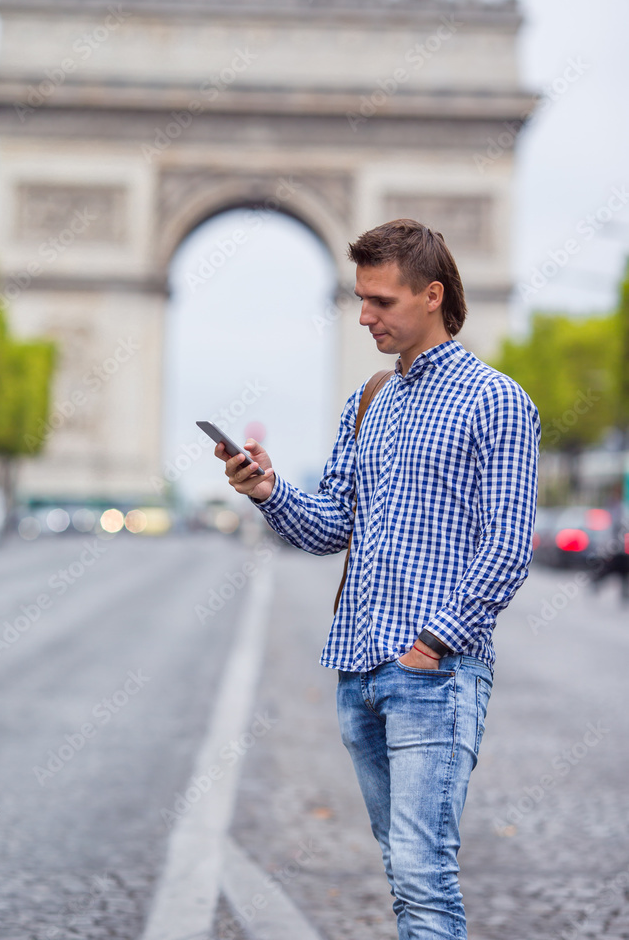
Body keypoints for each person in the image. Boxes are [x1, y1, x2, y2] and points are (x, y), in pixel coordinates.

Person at [214, 218, 541, 940]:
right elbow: (331, 527)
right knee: (402, 867)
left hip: (432, 672)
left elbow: (508, 545)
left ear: (432, 295)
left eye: (380, 302)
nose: (362, 315)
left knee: (423, 876)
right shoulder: (367, 401)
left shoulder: (498, 402)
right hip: (358, 670)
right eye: (359, 298)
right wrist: (266, 490)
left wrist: (430, 644)